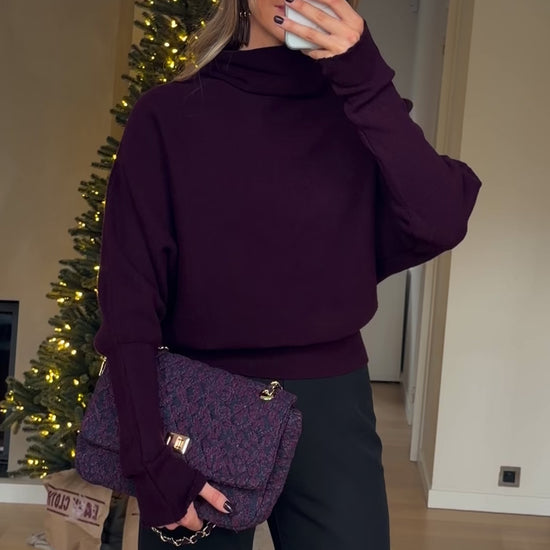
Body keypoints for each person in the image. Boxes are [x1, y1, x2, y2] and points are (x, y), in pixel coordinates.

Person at [94, 0, 481, 548]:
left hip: (331, 410)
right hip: (196, 403)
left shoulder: (362, 108)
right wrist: (146, 456)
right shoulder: (167, 115)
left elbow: (439, 220)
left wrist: (364, 75)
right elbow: (128, 302)